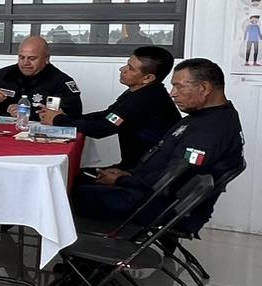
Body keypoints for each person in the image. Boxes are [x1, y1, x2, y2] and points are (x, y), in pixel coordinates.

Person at [71, 58, 245, 234]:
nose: (172, 93)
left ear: (204, 88)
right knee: (76, 178)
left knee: (70, 194)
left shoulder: (210, 130)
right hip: (149, 189)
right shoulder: (206, 116)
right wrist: (128, 174)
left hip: (160, 204)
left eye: (179, 87)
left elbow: (175, 179)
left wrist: (122, 180)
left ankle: (89, 253)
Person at [38, 46, 181, 169]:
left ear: (148, 78)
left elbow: (100, 129)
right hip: (134, 167)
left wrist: (59, 119)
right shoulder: (141, 92)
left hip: (142, 173)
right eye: (127, 65)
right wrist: (66, 117)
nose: (122, 69)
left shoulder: (146, 100)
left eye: (130, 68)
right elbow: (107, 114)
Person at [0, 35, 82, 119]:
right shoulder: (2, 75)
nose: (25, 63)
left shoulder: (61, 82)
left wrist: (28, 113)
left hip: (39, 138)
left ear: (47, 58)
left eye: (32, 58)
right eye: (22, 57)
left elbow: (73, 115)